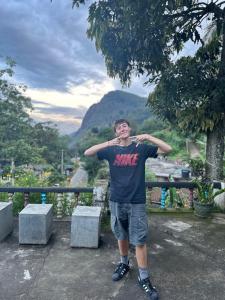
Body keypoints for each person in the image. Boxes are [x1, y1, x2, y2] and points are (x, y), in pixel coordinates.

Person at [84, 119, 172, 300]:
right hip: (116, 200)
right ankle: (124, 264)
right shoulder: (110, 150)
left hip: (136, 201)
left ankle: (144, 276)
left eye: (124, 126)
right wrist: (108, 143)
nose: (122, 128)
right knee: (121, 235)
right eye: (118, 127)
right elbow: (88, 152)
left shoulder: (141, 148)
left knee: (139, 240)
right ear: (116, 133)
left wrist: (148, 137)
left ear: (130, 129)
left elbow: (167, 149)